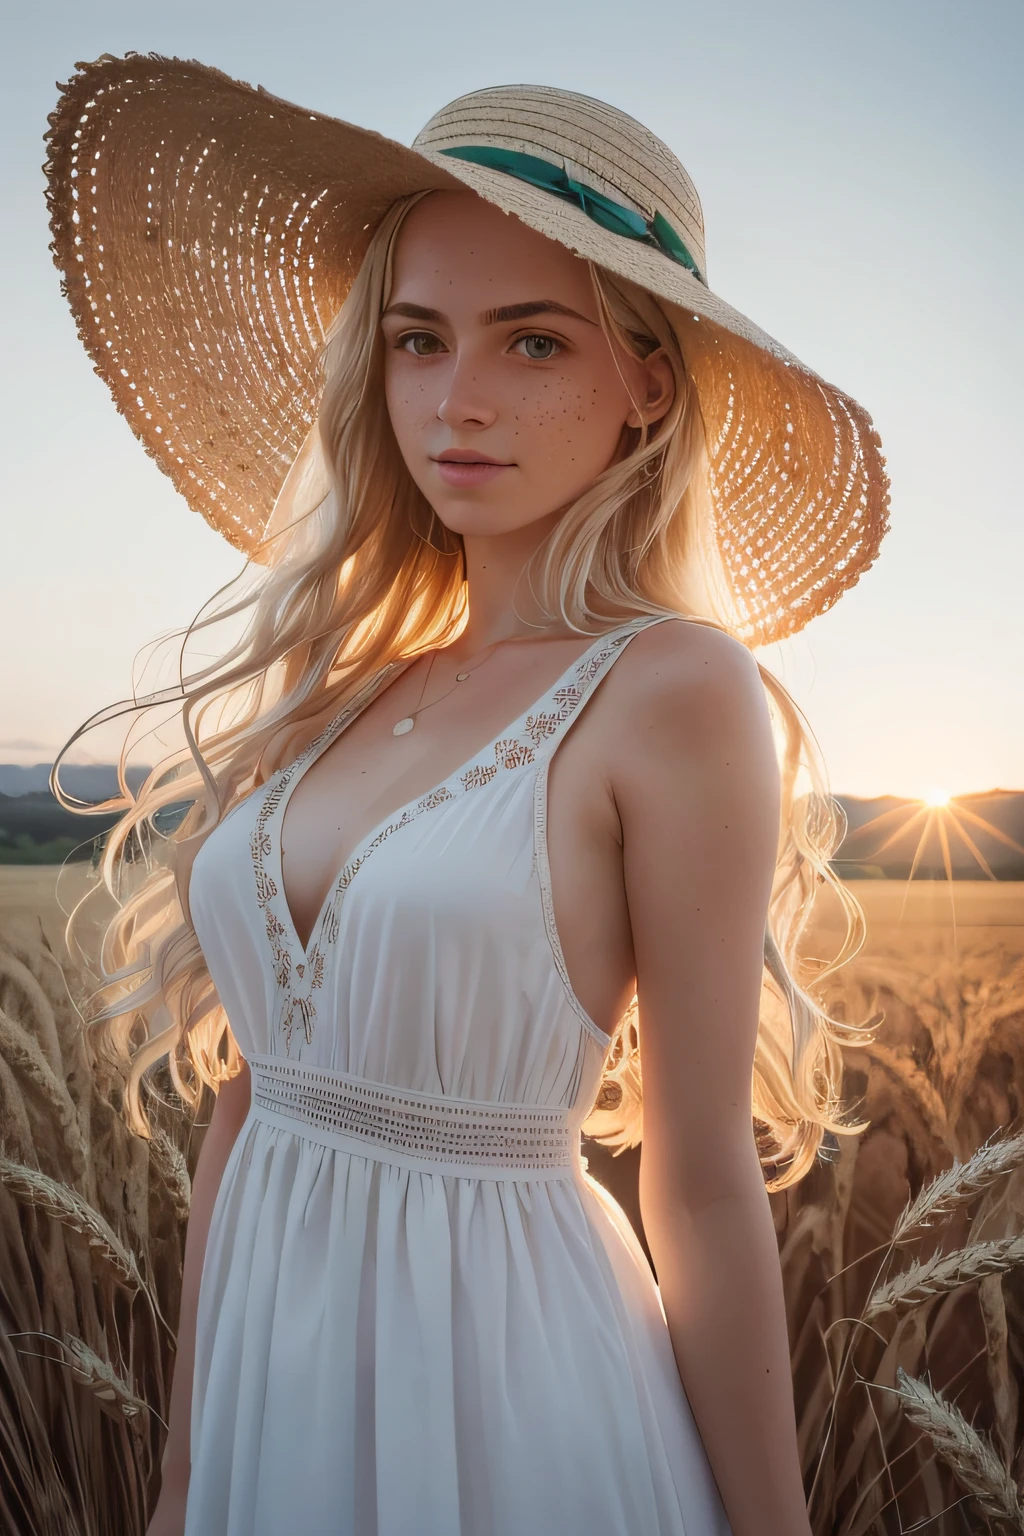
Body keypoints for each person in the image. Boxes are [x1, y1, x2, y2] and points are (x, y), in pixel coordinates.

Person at [45, 59, 889, 1536]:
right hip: (265, 1401)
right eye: (419, 340)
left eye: (535, 344)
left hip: (510, 1391)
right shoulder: (343, 688)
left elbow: (697, 1182)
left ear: (648, 385)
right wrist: (184, 1473)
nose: (460, 400)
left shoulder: (671, 690)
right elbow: (252, 1101)